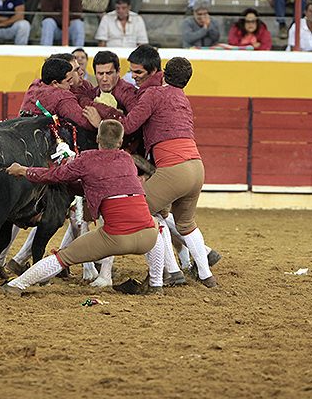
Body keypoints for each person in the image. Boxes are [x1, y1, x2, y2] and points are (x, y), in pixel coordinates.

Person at [84, 57, 217, 288]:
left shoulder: (155, 94)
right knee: (186, 224)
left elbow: (129, 125)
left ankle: (172, 272)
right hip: (196, 166)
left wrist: (100, 120)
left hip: (173, 168)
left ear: (163, 73)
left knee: (139, 213)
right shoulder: (182, 97)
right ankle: (207, 277)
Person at [3, 119, 163, 296]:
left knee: (63, 257)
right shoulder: (126, 159)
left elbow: (55, 175)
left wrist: (24, 170)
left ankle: (16, 284)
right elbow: (103, 186)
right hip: (147, 237)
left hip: (115, 238)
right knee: (157, 225)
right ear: (120, 141)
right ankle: (156, 284)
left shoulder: (88, 159)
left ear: (97, 138)